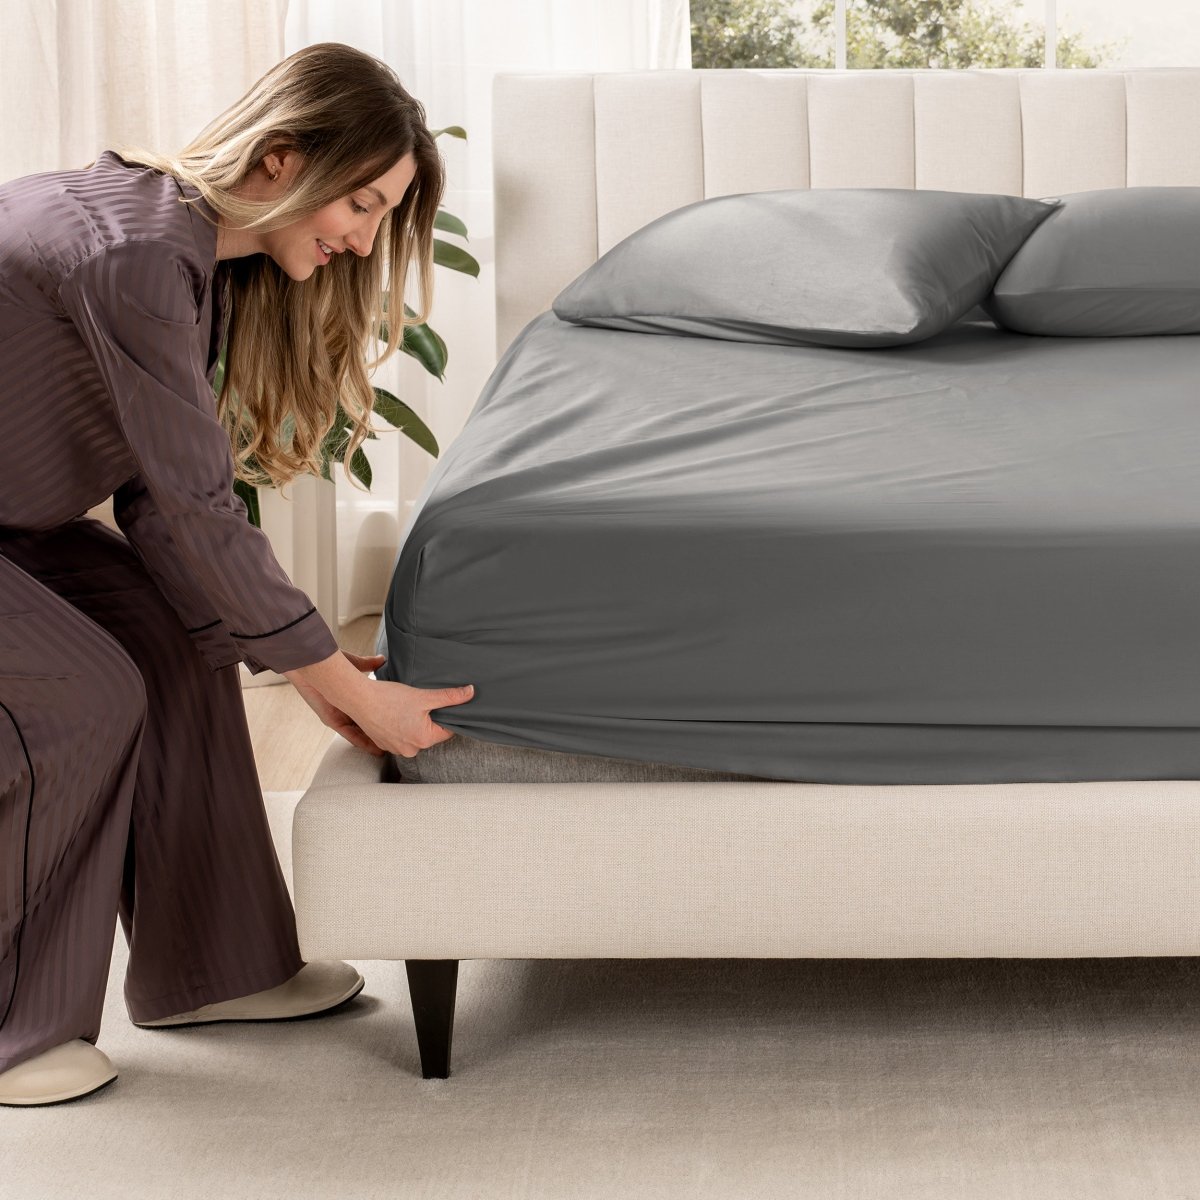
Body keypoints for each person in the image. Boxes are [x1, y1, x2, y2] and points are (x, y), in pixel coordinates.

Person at [0, 42, 476, 1106]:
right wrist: (347, 692)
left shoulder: (186, 258)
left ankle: (216, 967)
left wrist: (304, 659)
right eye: (359, 205)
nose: (360, 242)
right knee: (83, 697)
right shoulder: (130, 255)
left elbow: (160, 507)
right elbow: (196, 508)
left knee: (180, 637)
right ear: (279, 158)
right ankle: (14, 1028)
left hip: (16, 526)